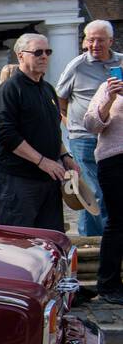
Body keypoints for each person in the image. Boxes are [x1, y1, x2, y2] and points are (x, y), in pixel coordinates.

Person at [0, 33, 78, 231]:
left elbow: (52, 129)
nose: (44, 56)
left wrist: (65, 155)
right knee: (20, 243)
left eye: (48, 52)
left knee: (50, 240)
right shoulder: (8, 90)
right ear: (21, 56)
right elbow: (6, 134)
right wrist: (42, 161)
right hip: (17, 180)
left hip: (48, 179)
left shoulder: (47, 89)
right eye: (38, 52)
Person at [56, 20, 121, 237]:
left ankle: (109, 239)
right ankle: (94, 241)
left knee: (112, 192)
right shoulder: (77, 65)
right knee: (91, 192)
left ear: (110, 41)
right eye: (90, 39)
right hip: (84, 137)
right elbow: (60, 101)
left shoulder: (121, 63)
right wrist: (70, 126)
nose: (94, 44)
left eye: (100, 40)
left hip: (114, 139)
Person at [83, 71, 123, 303]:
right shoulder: (107, 88)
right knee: (118, 221)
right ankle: (108, 284)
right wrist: (109, 99)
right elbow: (91, 124)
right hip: (115, 160)